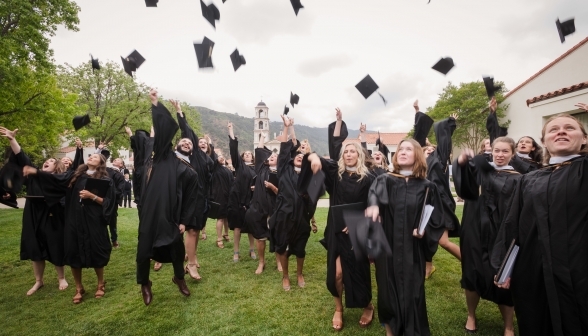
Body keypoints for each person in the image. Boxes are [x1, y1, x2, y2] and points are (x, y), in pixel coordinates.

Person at [493, 104, 588, 336]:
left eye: (570, 128)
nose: (561, 132)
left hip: (579, 269)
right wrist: (505, 268)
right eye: (554, 129)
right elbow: (512, 224)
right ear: (544, 141)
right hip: (532, 270)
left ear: (585, 139)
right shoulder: (530, 179)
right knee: (534, 321)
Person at [301, 108, 375, 331]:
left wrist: (360, 221)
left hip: (357, 229)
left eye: (353, 151)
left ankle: (368, 305)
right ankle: (338, 308)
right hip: (335, 229)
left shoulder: (369, 178)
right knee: (337, 273)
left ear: (360, 155)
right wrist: (312, 156)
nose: (348, 154)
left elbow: (375, 205)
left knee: (360, 270)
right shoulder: (336, 174)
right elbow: (320, 161)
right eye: (346, 151)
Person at [366, 138, 445, 336]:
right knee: (387, 292)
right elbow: (374, 194)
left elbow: (435, 218)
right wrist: (374, 204)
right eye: (400, 149)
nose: (402, 152)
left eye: (408, 149)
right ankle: (391, 333)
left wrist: (424, 230)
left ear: (417, 155)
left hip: (413, 248)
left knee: (413, 292)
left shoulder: (427, 186)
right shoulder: (385, 179)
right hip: (388, 246)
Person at [23, 150, 117, 304]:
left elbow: (109, 202)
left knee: (96, 250)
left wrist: (91, 196)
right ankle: (79, 288)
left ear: (101, 163)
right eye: (90, 156)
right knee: (73, 251)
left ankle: (101, 283)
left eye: (96, 157)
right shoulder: (75, 176)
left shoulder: (106, 180)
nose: (91, 157)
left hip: (94, 221)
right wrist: (35, 172)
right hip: (74, 220)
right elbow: (56, 179)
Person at [135, 89, 199, 306]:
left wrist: (183, 221)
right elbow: (163, 132)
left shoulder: (186, 171)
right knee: (143, 250)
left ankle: (179, 278)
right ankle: (145, 283)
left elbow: (190, 198)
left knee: (176, 248)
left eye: (188, 143)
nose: (184, 144)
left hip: (170, 216)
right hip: (149, 214)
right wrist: (155, 104)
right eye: (181, 142)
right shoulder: (160, 158)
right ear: (173, 145)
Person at [453, 135, 521, 336]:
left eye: (505, 151)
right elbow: (463, 188)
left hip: (502, 231)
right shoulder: (479, 171)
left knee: (502, 274)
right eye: (497, 151)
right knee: (471, 272)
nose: (500, 155)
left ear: (513, 154)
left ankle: (508, 326)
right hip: (474, 228)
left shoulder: (518, 178)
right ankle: (471, 315)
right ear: (491, 151)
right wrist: (462, 164)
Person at [1, 126, 69, 296]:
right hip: (32, 215)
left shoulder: (56, 180)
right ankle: (38, 281)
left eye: (52, 161)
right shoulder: (33, 175)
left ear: (57, 167)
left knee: (55, 245)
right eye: (47, 160)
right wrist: (12, 139)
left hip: (52, 216)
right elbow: (21, 157)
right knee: (34, 247)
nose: (48, 161)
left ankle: (61, 277)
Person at [412, 101, 462, 278]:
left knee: (444, 242)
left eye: (433, 149)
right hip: (422, 203)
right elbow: (416, 141)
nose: (431, 150)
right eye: (428, 149)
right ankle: (428, 267)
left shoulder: (439, 160)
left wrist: (449, 123)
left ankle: (471, 264)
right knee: (423, 237)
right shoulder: (416, 165)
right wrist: (418, 113)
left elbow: (444, 142)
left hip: (440, 204)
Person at [270, 115, 314, 290]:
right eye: (298, 155)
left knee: (301, 248)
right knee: (283, 248)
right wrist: (286, 127)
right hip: (284, 215)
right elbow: (284, 150)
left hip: (301, 216)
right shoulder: (284, 169)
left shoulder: (307, 176)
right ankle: (286, 276)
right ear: (293, 157)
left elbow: (313, 195)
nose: (300, 157)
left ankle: (300, 274)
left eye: (303, 157)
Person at [171, 100, 213, 281]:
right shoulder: (183, 158)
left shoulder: (203, 158)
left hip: (200, 198)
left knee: (195, 230)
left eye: (193, 142)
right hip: (185, 199)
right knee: (187, 231)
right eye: (185, 142)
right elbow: (186, 131)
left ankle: (191, 259)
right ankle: (189, 262)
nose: (190, 142)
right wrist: (179, 111)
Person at [245, 129, 279, 274]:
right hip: (259, 207)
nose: (272, 156)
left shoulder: (283, 172)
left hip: (275, 208)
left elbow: (284, 192)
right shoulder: (261, 169)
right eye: (270, 155)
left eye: (275, 155)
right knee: (260, 237)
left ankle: (279, 261)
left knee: (276, 236)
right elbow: (259, 150)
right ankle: (261, 262)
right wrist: (262, 138)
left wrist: (273, 187)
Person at [227, 122, 256, 262]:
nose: (248, 155)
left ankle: (252, 250)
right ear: (243, 157)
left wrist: (256, 188)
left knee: (251, 227)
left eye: (251, 154)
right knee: (237, 227)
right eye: (246, 154)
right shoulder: (240, 166)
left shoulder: (257, 169)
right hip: (237, 199)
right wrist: (232, 133)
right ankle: (236, 252)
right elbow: (234, 151)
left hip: (251, 200)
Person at [208, 145, 233, 248]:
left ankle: (226, 234)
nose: (222, 158)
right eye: (219, 157)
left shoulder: (228, 170)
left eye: (223, 157)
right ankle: (219, 239)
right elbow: (212, 155)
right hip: (219, 195)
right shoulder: (215, 168)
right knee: (220, 217)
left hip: (228, 195)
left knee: (227, 216)